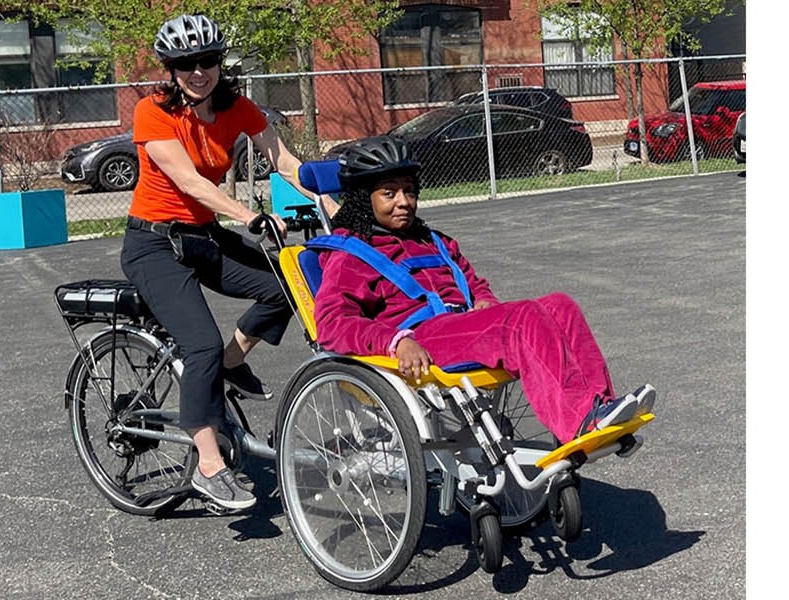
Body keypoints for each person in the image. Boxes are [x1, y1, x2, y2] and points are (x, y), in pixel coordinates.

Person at [311, 136, 654, 444]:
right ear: (361, 199)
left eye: (409, 191)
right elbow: (330, 324)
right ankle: (580, 421)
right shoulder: (350, 253)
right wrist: (396, 341)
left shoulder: (433, 240)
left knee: (560, 305)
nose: (403, 202)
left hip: (461, 325)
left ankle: (602, 406)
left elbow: (472, 282)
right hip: (420, 339)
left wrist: (483, 300)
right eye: (389, 193)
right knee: (522, 319)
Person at [121, 14, 329, 511]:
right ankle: (210, 466)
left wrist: (338, 208)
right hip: (154, 244)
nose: (198, 72)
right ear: (170, 69)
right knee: (200, 344)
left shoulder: (238, 108)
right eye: (185, 64)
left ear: (220, 63)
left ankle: (233, 361)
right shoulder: (153, 113)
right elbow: (190, 182)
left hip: (203, 237)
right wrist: (248, 215)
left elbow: (284, 162)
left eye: (207, 61)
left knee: (287, 283)